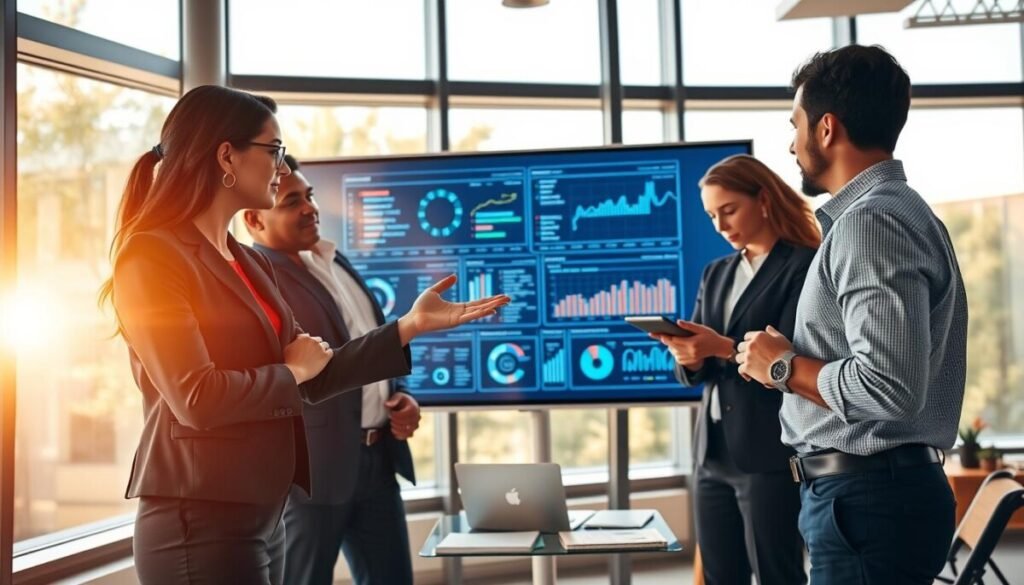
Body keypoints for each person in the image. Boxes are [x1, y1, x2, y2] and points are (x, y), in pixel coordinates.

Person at [100, 85, 508, 585]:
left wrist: (410, 326)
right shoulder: (152, 255)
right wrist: (292, 370)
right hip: (199, 516)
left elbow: (318, 373)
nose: (281, 164)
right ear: (226, 155)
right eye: (274, 150)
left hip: (261, 511)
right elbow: (196, 397)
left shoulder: (246, 260)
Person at [736, 45, 967, 584]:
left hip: (866, 501)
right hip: (868, 499)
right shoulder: (894, 212)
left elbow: (889, 386)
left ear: (826, 129)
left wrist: (783, 367)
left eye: (794, 125)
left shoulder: (872, 223)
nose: (789, 144)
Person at [243, 155, 419, 585]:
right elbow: (291, 376)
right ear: (254, 219)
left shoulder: (333, 261)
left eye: (309, 196)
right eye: (290, 202)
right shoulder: (259, 280)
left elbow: (368, 345)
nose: (310, 208)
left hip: (377, 461)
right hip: (314, 477)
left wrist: (399, 396)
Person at [653, 154, 818, 585]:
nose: (721, 226)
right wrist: (690, 359)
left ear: (762, 199)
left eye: (729, 210)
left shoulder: (803, 266)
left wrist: (722, 348)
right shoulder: (717, 273)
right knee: (719, 575)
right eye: (712, 215)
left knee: (776, 573)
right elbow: (700, 369)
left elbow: (792, 358)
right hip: (712, 452)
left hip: (767, 449)